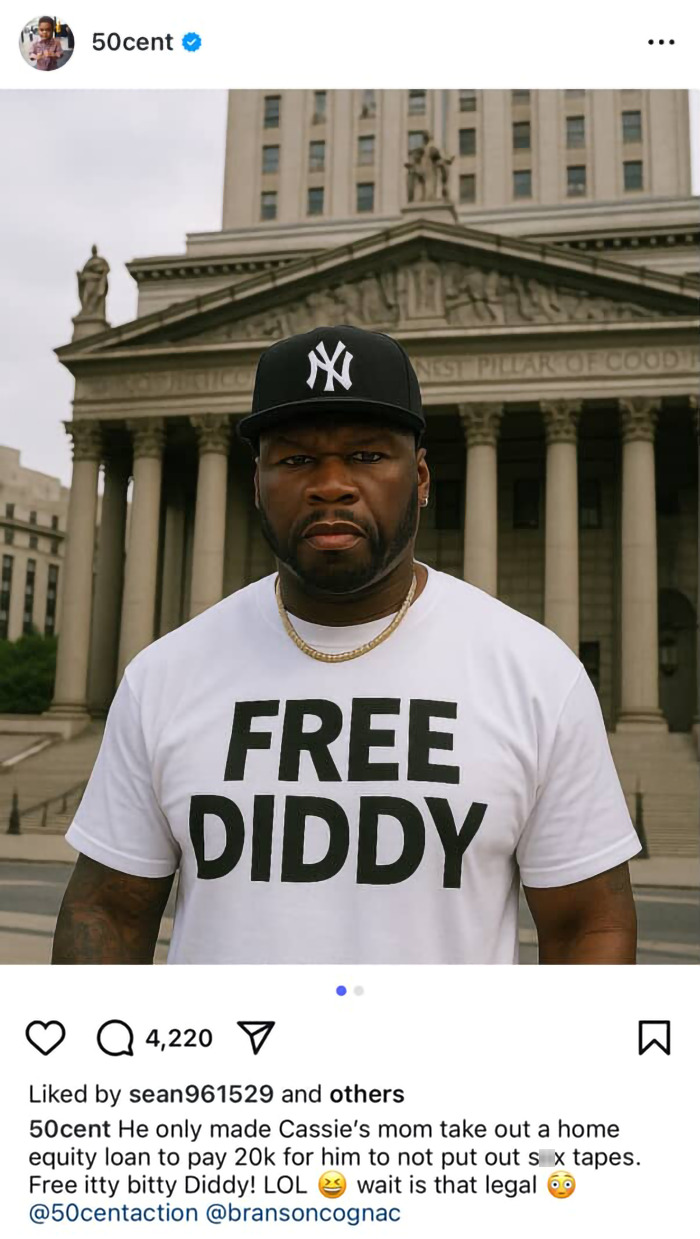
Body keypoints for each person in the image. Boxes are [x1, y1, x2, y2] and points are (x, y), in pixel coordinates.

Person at [52, 325, 640, 966]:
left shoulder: (537, 675)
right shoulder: (165, 675)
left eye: (366, 455)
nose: (331, 484)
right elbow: (106, 908)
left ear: (419, 476)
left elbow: (589, 924)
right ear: (257, 483)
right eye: (297, 459)